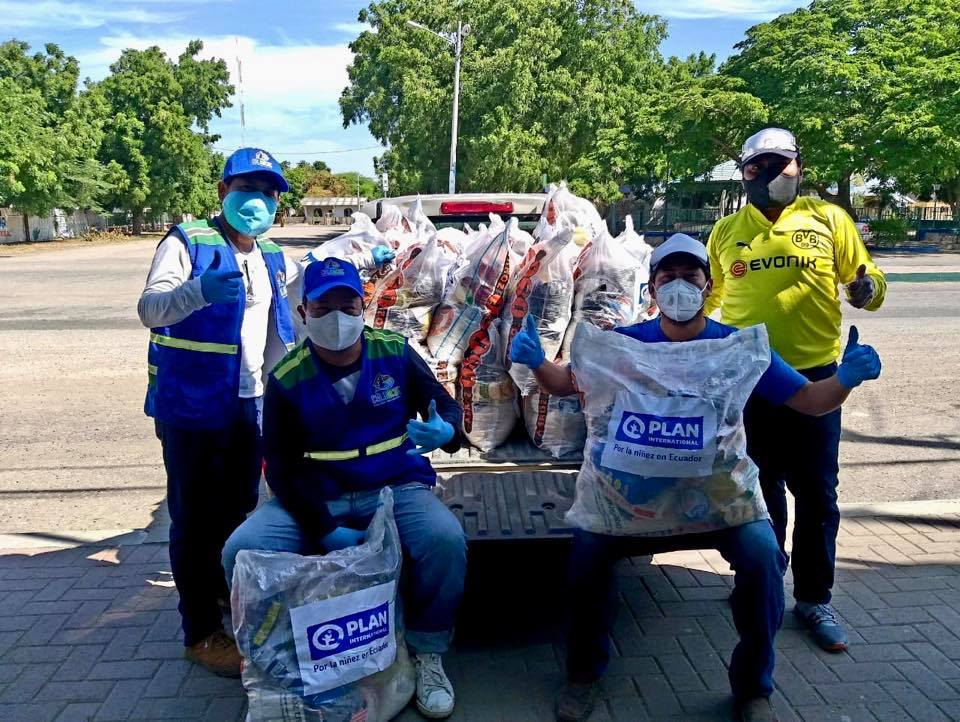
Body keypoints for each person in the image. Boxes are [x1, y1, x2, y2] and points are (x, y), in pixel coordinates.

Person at [510, 234, 882, 722]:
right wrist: (538, 362)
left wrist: (845, 381)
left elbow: (810, 401)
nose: (680, 286)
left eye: (691, 277)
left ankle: (754, 688)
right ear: (652, 290)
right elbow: (565, 384)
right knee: (586, 556)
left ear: (708, 286)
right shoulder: (622, 345)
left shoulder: (737, 347)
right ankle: (582, 675)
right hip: (625, 504)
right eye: (669, 277)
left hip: (718, 503)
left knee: (763, 556)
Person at [222, 257, 467, 720]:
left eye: (347, 305)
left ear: (362, 307)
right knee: (241, 550)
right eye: (323, 307)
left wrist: (447, 431)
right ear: (304, 313)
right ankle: (271, 653)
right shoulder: (287, 377)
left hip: (394, 486)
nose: (337, 317)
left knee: (444, 540)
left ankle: (428, 650)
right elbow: (281, 469)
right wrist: (323, 527)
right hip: (319, 496)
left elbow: (443, 404)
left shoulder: (393, 353)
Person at [704, 128, 887, 652]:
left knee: (817, 494)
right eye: (759, 166)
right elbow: (710, 295)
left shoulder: (828, 219)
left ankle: (813, 598)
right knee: (757, 490)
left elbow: (868, 281)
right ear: (745, 174)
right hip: (751, 380)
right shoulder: (726, 231)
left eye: (782, 164)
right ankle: (764, 577)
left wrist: (865, 288)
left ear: (799, 167)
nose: (772, 174)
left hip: (816, 379)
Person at [138, 147, 301, 676]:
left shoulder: (272, 254)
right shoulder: (188, 242)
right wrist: (197, 293)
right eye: (247, 188)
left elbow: (304, 297)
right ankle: (200, 632)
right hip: (190, 408)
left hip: (249, 405)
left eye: (268, 193)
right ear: (223, 191)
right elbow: (149, 309)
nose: (258, 200)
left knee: (237, 512)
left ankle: (225, 600)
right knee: (193, 519)